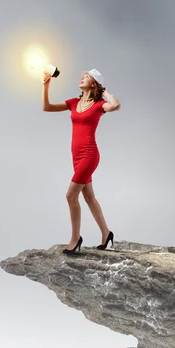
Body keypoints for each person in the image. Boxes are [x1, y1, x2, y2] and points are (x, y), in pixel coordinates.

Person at [42, 68, 121, 254]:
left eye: (86, 76)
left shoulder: (99, 105)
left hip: (89, 155)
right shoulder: (74, 102)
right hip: (76, 156)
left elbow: (116, 105)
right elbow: (47, 107)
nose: (82, 77)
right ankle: (106, 233)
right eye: (82, 75)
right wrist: (46, 86)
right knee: (88, 197)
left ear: (93, 83)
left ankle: (75, 238)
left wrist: (106, 92)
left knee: (71, 196)